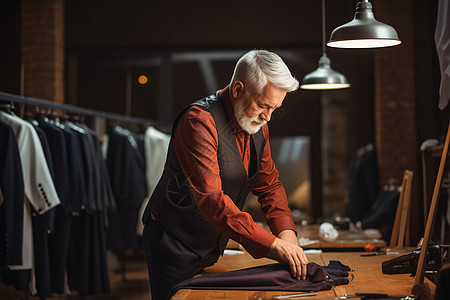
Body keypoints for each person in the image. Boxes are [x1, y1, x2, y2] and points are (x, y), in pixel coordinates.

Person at [142, 49, 308, 300]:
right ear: (238, 89)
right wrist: (273, 246)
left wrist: (287, 235)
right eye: (263, 105)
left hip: (211, 244)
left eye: (275, 108)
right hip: (174, 243)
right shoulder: (198, 122)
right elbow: (212, 200)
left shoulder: (258, 125)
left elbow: (269, 185)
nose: (268, 117)